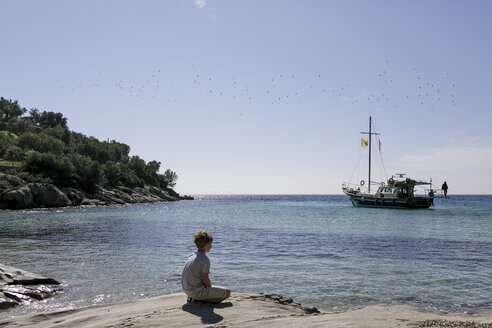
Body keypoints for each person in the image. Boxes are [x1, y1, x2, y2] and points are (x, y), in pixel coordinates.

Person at [181, 230, 231, 303]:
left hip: (186, 290)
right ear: (206, 245)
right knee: (227, 292)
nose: (211, 246)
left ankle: (197, 298)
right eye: (210, 244)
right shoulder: (204, 259)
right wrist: (210, 286)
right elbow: (205, 279)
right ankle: (201, 300)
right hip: (196, 292)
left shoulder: (192, 255)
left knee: (210, 288)